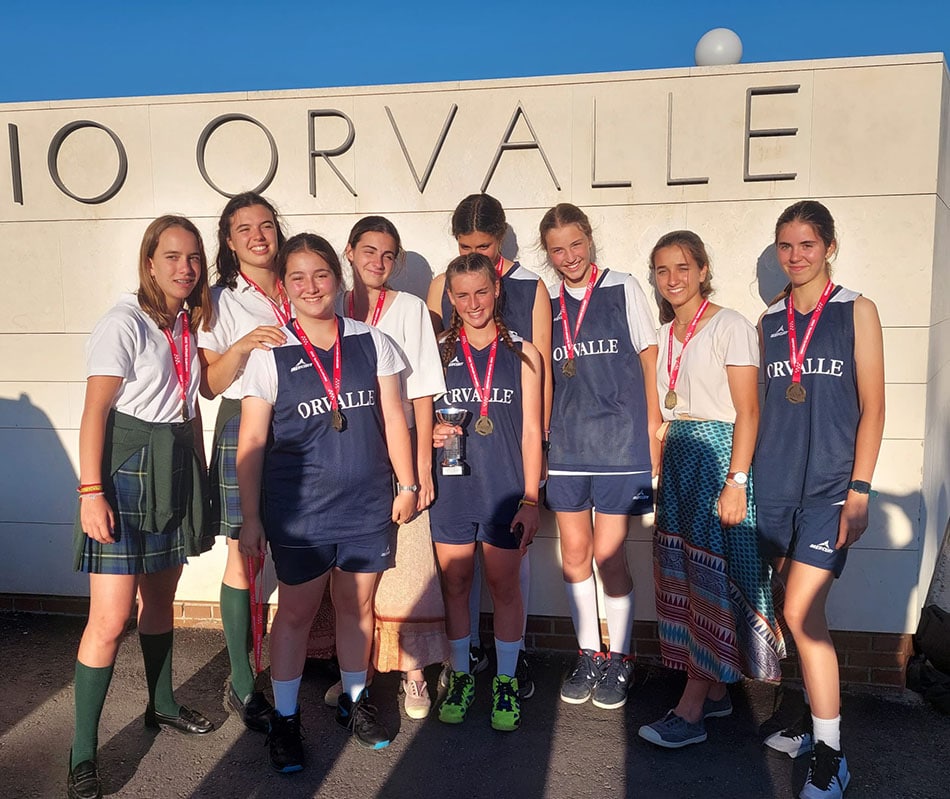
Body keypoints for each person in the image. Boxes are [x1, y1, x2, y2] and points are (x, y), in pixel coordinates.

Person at [237, 233, 417, 772]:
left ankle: (355, 701)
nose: (311, 286)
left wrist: (407, 485)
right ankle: (286, 720)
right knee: (294, 613)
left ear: (338, 280)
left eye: (320, 275)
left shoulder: (373, 342)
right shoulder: (271, 354)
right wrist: (250, 519)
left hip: (366, 507)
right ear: (286, 287)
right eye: (298, 278)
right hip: (303, 513)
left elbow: (393, 421)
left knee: (356, 609)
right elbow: (251, 444)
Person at [68, 216, 215, 799]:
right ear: (149, 263)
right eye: (173, 257)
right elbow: (95, 412)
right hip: (126, 476)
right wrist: (90, 492)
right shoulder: (122, 322)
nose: (185, 268)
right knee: (108, 620)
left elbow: (192, 393)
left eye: (194, 258)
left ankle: (162, 704)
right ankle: (82, 754)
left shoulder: (182, 323)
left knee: (161, 598)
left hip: (173, 466)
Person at [754, 201, 884, 799]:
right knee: (802, 615)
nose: (795, 256)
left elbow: (874, 406)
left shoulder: (857, 310)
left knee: (801, 617)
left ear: (828, 246)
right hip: (776, 487)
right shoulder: (769, 319)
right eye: (785, 245)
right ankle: (811, 723)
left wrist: (859, 489)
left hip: (831, 490)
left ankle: (833, 757)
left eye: (806, 244)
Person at [636, 230, 785, 749]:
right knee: (683, 573)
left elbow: (749, 411)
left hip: (719, 458)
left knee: (711, 578)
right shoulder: (667, 333)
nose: (673, 279)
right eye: (662, 270)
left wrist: (737, 481)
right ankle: (717, 691)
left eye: (683, 267)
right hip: (680, 461)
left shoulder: (731, 326)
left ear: (702, 269)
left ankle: (692, 708)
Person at [322, 215, 448, 719]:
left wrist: (420, 473)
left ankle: (415, 674)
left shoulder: (412, 309)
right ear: (349, 252)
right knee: (355, 568)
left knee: (409, 561)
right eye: (369, 251)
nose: (378, 262)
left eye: (389, 254)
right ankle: (361, 670)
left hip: (401, 448)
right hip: (348, 448)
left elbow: (421, 395)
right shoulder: (328, 307)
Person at [426, 193, 551, 697]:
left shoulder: (525, 354)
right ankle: (459, 676)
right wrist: (429, 434)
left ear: (496, 290)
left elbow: (529, 430)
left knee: (503, 587)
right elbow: (420, 419)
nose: (473, 304)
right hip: (452, 489)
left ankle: (504, 678)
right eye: (462, 296)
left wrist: (532, 497)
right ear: (449, 299)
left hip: (503, 492)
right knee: (455, 585)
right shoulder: (436, 353)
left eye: (481, 292)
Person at [540, 203, 661, 710]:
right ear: (547, 254)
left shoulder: (623, 287)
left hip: (619, 444)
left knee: (609, 555)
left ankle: (622, 657)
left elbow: (650, 356)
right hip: (565, 446)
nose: (568, 256)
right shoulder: (544, 301)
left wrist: (654, 429)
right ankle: (590, 652)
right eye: (556, 249)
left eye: (575, 244)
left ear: (590, 239)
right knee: (573, 555)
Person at [197, 192, 287, 732]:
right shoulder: (218, 298)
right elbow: (209, 384)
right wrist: (244, 346)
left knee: (302, 541)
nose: (258, 235)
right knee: (245, 552)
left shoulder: (302, 277)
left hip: (301, 419)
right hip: (243, 420)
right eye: (244, 229)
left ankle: (308, 653)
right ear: (229, 242)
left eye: (267, 225)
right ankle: (240, 679)